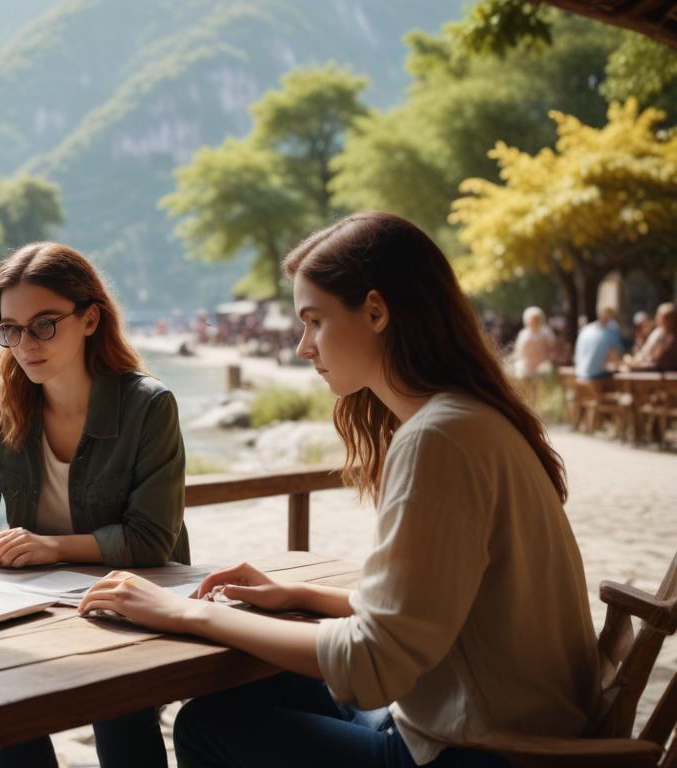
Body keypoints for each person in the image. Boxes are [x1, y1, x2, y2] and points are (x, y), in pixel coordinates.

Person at [78, 212, 599, 768]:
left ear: (376, 311)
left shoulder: (438, 439)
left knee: (208, 725)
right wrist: (300, 596)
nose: (304, 346)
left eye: (314, 321)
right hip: (500, 722)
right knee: (235, 693)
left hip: (482, 750)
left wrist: (184, 614)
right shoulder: (471, 418)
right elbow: (431, 611)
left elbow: (374, 665)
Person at [0, 241, 187, 768]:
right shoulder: (4, 405)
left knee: (120, 705)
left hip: (133, 598)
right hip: (37, 602)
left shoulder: (148, 406)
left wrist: (48, 547)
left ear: (90, 318)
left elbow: (150, 540)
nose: (24, 344)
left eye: (44, 324)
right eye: (11, 329)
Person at [572, 307, 623, 380]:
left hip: (578, 373)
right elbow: (615, 359)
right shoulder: (610, 331)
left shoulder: (587, 329)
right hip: (593, 376)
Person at [626, 302, 677, 372]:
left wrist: (636, 364)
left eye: (659, 315)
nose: (657, 318)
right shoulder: (658, 332)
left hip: (660, 374)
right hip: (651, 368)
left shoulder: (668, 337)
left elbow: (656, 360)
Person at [511, 306, 554, 379]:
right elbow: (518, 350)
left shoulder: (546, 333)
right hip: (526, 368)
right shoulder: (523, 334)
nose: (534, 321)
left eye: (536, 319)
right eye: (531, 319)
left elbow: (552, 349)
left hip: (542, 368)